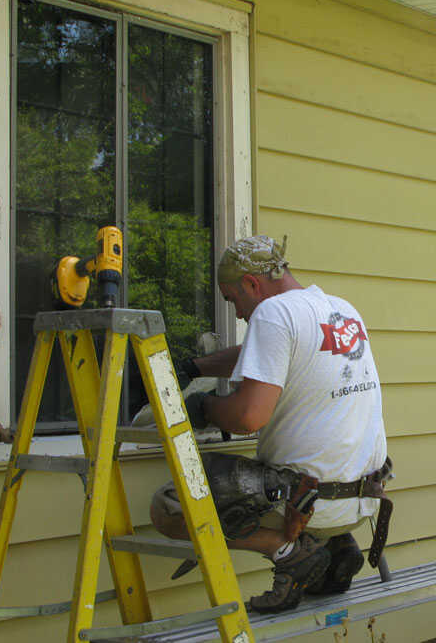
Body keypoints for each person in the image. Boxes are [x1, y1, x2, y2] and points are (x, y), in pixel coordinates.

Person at [150, 234, 390, 614]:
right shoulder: (340, 310)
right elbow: (271, 355)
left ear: (251, 284)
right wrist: (195, 368)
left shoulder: (272, 314)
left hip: (310, 503)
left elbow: (249, 417)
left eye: (232, 300)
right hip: (361, 503)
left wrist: (207, 407)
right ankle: (337, 547)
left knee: (168, 506)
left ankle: (290, 552)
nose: (237, 314)